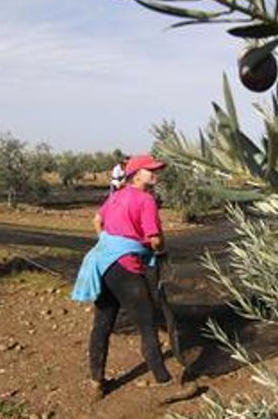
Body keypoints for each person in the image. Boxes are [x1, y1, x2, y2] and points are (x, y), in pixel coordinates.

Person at [72, 154, 172, 401]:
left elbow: (97, 220)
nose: (155, 173)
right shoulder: (146, 200)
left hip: (103, 264)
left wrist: (109, 242)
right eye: (151, 170)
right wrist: (159, 249)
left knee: (102, 324)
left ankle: (96, 382)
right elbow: (155, 240)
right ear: (136, 174)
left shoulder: (116, 196)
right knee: (148, 322)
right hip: (126, 267)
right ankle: (165, 382)